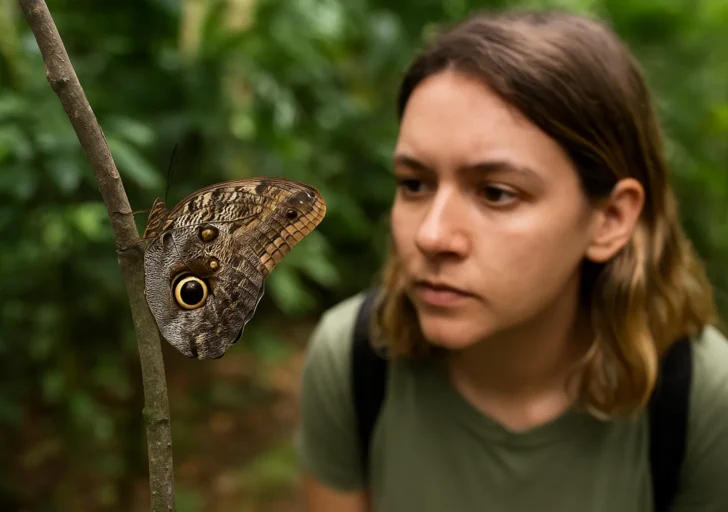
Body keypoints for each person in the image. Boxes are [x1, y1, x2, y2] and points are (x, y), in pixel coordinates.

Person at [294, 8, 728, 512]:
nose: (433, 236)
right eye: (414, 183)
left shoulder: (702, 401)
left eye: (496, 193)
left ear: (610, 219)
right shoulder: (353, 361)